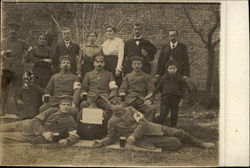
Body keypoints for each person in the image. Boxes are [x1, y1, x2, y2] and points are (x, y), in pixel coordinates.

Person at [91, 95, 215, 150]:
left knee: (179, 132)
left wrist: (134, 135)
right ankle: (182, 142)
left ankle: (201, 144)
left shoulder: (130, 109)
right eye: (113, 105)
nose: (116, 107)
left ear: (122, 103)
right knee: (175, 143)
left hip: (151, 128)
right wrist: (101, 142)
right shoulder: (111, 121)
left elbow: (143, 122)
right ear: (110, 107)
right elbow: (111, 137)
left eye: (118, 103)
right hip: (144, 139)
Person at [0, 95, 79, 147]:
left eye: (68, 105)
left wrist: (67, 140)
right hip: (25, 124)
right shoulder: (51, 110)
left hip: (30, 135)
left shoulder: (70, 120)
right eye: (63, 104)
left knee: (3, 137)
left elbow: (74, 135)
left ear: (71, 107)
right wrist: (44, 133)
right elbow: (36, 120)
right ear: (60, 105)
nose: (66, 107)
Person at [1, 23, 30, 115]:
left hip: (18, 70)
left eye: (15, 30)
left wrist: (24, 59)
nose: (13, 31)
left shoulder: (22, 42)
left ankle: (18, 110)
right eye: (12, 29)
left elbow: (30, 50)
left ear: (18, 31)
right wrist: (2, 53)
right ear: (9, 30)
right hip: (6, 69)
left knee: (18, 90)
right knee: (3, 89)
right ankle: (2, 109)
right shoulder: (3, 42)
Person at [147, 61, 186, 127]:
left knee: (174, 113)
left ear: (177, 69)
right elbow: (159, 87)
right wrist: (152, 94)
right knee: (163, 113)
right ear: (167, 69)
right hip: (165, 98)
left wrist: (182, 100)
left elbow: (183, 90)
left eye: (174, 68)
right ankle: (159, 126)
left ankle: (173, 127)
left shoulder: (179, 78)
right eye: (170, 68)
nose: (172, 70)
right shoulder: (164, 77)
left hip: (175, 98)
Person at [80, 54, 118, 121]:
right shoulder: (88, 74)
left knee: (111, 107)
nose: (99, 64)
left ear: (104, 64)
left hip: (104, 97)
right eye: (97, 62)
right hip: (91, 97)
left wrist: (111, 97)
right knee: (84, 106)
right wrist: (84, 97)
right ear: (94, 63)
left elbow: (113, 88)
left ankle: (105, 123)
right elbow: (83, 88)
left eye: (101, 62)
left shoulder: (109, 74)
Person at [119, 56, 156, 121]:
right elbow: (122, 88)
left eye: (138, 64)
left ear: (141, 65)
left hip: (142, 100)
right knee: (120, 109)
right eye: (135, 64)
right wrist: (123, 96)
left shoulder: (147, 76)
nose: (136, 66)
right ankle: (128, 128)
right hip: (130, 100)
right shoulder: (128, 76)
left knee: (152, 108)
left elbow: (151, 89)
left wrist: (149, 100)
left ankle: (147, 126)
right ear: (132, 65)